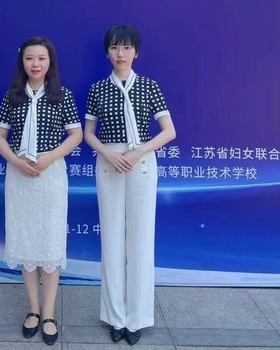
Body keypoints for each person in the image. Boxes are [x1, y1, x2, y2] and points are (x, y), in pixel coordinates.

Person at [83, 24, 177, 345]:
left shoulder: (149, 87)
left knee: (140, 240)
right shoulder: (98, 89)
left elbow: (169, 131)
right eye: (114, 48)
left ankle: (137, 318)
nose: (120, 54)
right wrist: (109, 153)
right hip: (109, 163)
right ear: (107, 53)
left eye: (126, 48)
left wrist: (138, 152)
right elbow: (88, 133)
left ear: (136, 52)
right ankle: (115, 317)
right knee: (111, 239)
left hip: (141, 163)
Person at [0, 36, 82, 346]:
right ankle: (33, 309)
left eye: (41, 59)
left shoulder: (62, 95)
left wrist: (49, 158)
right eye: (30, 58)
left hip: (51, 174)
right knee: (25, 241)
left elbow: (75, 135)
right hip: (19, 175)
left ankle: (49, 313)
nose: (35, 64)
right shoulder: (12, 96)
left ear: (50, 62)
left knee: (50, 242)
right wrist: (16, 161)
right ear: (22, 62)